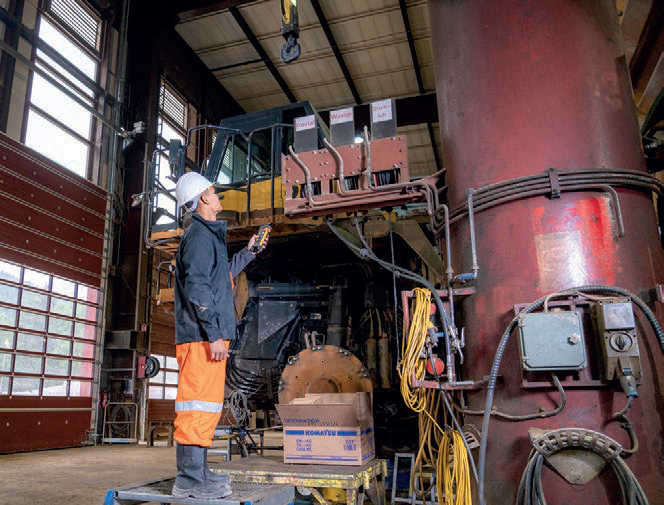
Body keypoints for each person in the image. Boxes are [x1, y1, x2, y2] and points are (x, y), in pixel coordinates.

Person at [171, 171, 267, 499]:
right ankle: (188, 479)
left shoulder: (207, 236)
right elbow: (198, 287)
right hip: (200, 338)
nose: (218, 195)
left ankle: (198, 472)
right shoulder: (198, 237)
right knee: (196, 405)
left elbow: (220, 277)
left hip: (208, 336)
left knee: (206, 405)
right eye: (213, 191)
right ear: (203, 199)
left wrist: (250, 252)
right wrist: (213, 333)